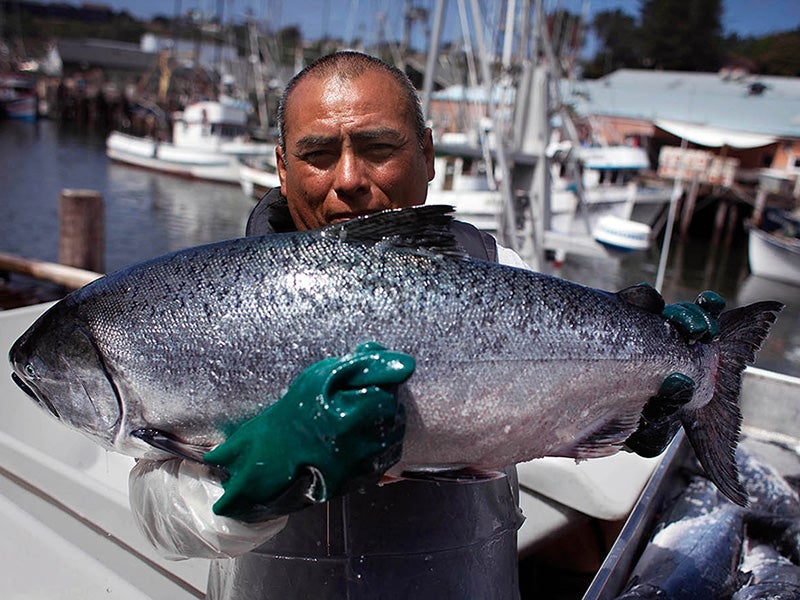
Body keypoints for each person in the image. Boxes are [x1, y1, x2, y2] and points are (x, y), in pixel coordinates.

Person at [129, 51, 720, 599]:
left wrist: (647, 403)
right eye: (317, 154)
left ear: (429, 156)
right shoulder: (210, 308)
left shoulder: (503, 275)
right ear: (282, 168)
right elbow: (160, 521)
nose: (350, 180)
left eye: (378, 147)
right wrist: (255, 486)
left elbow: (567, 425)